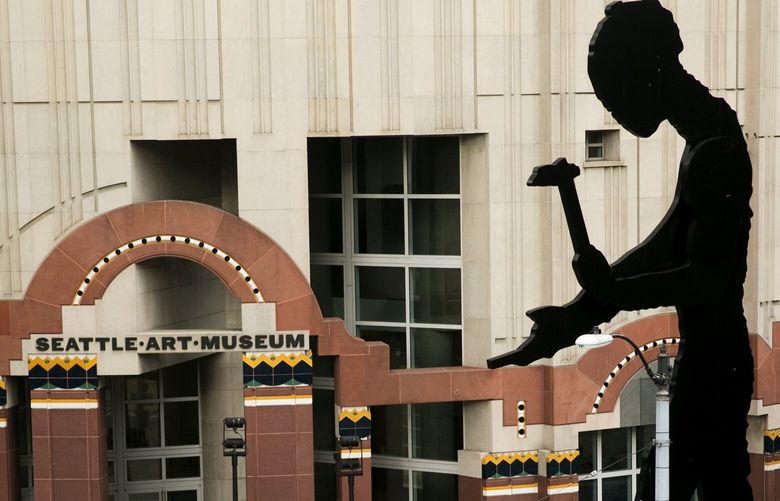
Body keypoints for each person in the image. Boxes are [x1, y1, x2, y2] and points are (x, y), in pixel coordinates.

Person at [489, 1, 754, 498]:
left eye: (614, 94)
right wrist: (574, 317)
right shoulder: (707, 137)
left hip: (717, 364)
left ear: (650, 70)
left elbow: (705, 277)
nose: (613, 109)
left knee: (694, 481)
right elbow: (664, 249)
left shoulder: (716, 150)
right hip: (712, 359)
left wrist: (611, 292)